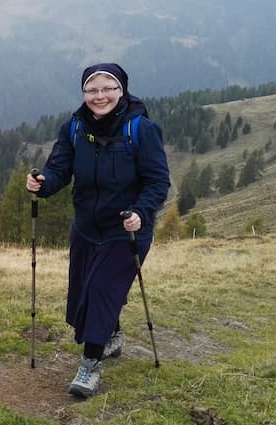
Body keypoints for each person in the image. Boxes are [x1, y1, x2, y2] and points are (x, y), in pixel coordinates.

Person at [25, 63, 170, 398]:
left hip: (126, 230)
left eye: (108, 88)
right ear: (83, 93)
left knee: (101, 291)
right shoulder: (74, 128)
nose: (100, 96)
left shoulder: (141, 129)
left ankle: (89, 365)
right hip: (86, 229)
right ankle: (112, 335)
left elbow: (158, 181)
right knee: (82, 293)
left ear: (122, 91)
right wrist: (42, 183)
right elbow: (59, 169)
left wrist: (141, 212)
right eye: (92, 90)